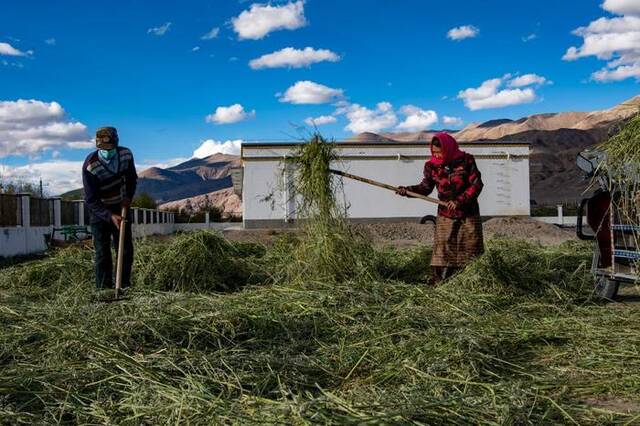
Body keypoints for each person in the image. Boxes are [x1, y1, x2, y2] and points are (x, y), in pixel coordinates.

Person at [397, 132, 484, 285]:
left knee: (470, 246)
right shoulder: (431, 166)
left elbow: (476, 184)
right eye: (434, 152)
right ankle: (439, 282)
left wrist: (459, 200)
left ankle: (468, 281)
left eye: (440, 152)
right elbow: (425, 188)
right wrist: (408, 190)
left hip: (468, 212)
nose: (437, 156)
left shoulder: (466, 161)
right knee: (443, 248)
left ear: (449, 149)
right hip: (445, 214)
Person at [82, 127, 138, 291]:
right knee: (102, 252)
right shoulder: (90, 165)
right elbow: (91, 200)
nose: (107, 152)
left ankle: (123, 285)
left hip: (121, 206)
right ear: (97, 146)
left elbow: (131, 178)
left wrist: (128, 197)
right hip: (100, 211)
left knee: (125, 249)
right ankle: (103, 289)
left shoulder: (126, 155)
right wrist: (109, 216)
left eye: (110, 149)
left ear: (116, 144)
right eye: (103, 149)